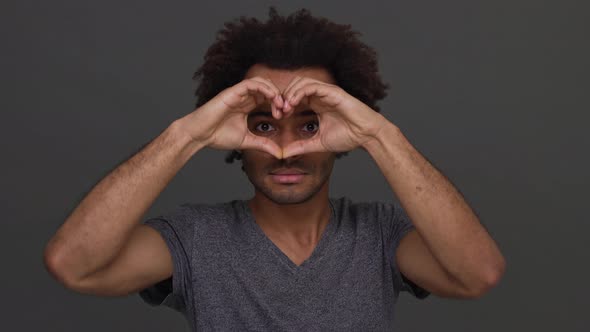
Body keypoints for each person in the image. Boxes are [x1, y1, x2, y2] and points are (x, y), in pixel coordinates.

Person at [43, 6, 506, 331]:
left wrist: (379, 135)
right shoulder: (198, 238)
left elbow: (478, 273)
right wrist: (189, 135)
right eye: (263, 124)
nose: (285, 149)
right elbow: (74, 265)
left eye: (309, 126)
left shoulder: (380, 234)